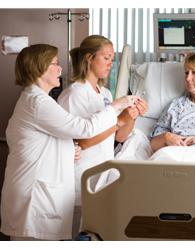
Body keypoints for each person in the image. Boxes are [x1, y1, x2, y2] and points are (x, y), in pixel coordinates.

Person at [0, 44, 137, 240]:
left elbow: (47, 140)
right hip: (34, 197)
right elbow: (83, 129)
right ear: (39, 68)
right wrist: (117, 106)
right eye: (55, 64)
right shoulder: (37, 102)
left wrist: (67, 150)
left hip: (39, 193)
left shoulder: (39, 100)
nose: (60, 69)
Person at [57, 35, 147, 236]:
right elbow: (82, 142)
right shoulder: (74, 94)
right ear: (89, 58)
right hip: (80, 176)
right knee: (76, 235)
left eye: (112, 59)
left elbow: (120, 137)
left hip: (102, 174)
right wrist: (119, 121)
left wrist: (132, 115)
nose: (110, 64)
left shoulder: (105, 94)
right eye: (106, 58)